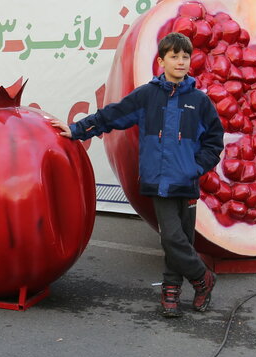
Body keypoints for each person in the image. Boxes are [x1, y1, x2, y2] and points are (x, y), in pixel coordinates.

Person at [49, 32, 224, 318]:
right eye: (174, 56)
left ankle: (171, 291)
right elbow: (112, 115)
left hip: (187, 180)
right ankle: (202, 278)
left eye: (185, 57)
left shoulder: (199, 102)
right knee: (171, 236)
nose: (181, 62)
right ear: (161, 61)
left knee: (181, 240)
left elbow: (215, 140)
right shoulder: (147, 96)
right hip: (159, 180)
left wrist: (196, 166)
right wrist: (78, 130)